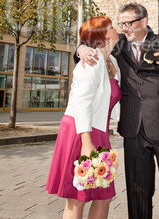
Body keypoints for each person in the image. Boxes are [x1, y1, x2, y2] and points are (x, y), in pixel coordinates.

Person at [76, 3, 159, 219]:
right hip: (132, 128)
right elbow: (89, 44)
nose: (124, 28)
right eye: (121, 23)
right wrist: (81, 49)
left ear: (144, 22)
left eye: (129, 23)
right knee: (137, 192)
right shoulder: (118, 44)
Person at [46, 16, 121, 219]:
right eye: (111, 27)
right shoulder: (91, 61)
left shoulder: (112, 61)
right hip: (82, 130)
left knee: (103, 196)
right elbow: (82, 102)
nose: (116, 30)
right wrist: (86, 142)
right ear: (102, 36)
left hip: (100, 131)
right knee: (77, 197)